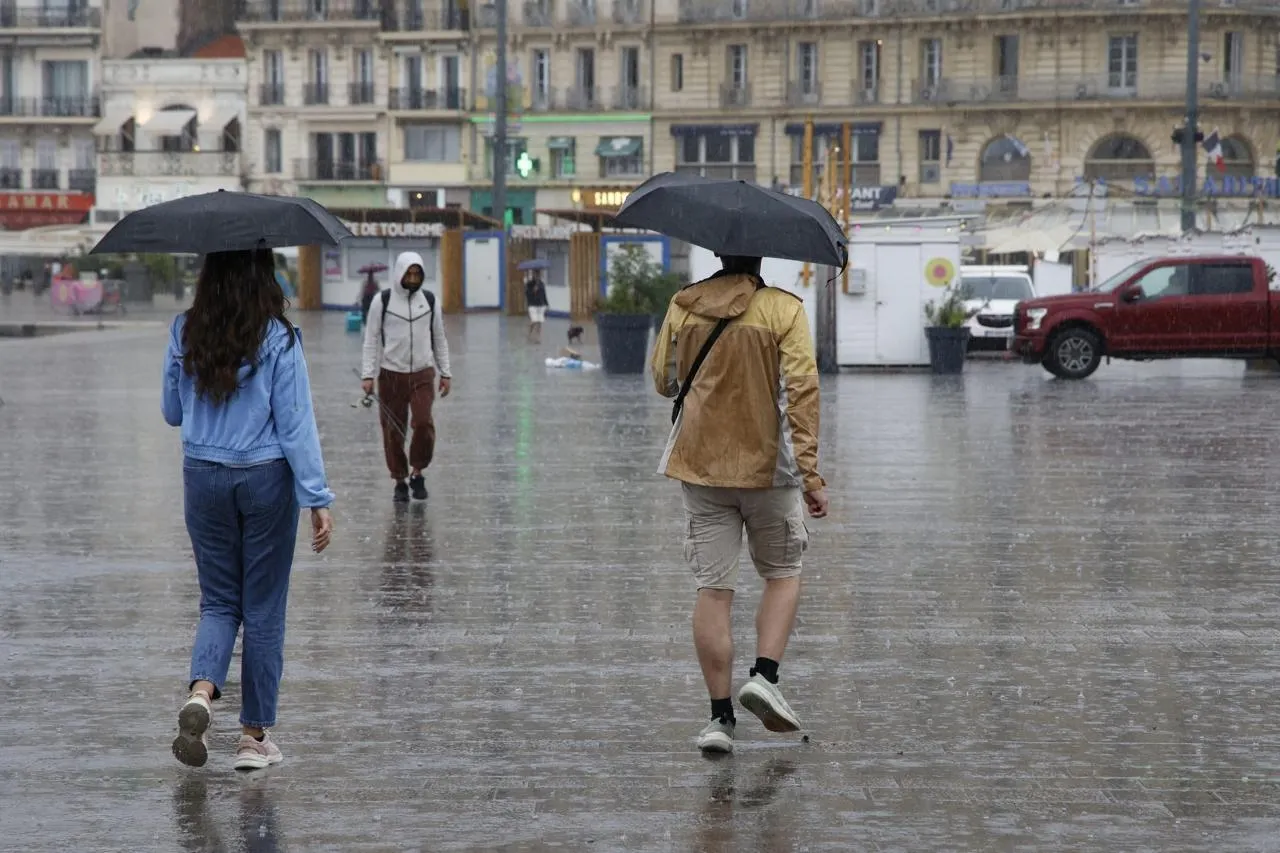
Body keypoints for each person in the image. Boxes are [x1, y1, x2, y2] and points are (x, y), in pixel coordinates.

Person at [162, 249, 334, 771]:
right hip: (265, 479)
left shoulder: (185, 330)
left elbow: (172, 412)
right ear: (264, 275)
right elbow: (295, 424)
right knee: (262, 608)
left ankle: (201, 692)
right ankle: (253, 738)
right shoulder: (278, 337)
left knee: (218, 601)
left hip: (203, 475)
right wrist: (316, 497)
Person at [650, 254, 828, 756]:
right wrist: (811, 475)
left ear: (719, 254)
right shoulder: (783, 310)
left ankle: (719, 720)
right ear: (760, 258)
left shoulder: (684, 306)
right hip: (769, 470)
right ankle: (765, 677)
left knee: (713, 590)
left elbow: (664, 381)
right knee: (783, 573)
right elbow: (802, 391)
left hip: (701, 466)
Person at [360, 251, 452, 502]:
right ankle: (399, 479)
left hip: (423, 373)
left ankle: (417, 471)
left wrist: (445, 372)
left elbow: (439, 338)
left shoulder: (430, 301)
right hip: (391, 375)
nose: (412, 279)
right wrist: (368, 375)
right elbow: (371, 339)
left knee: (423, 422)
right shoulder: (382, 301)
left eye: (417, 274)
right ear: (400, 273)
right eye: (408, 274)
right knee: (393, 429)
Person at [525, 270, 549, 344]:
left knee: (539, 322)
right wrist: (533, 291)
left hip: (541, 304)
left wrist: (546, 304)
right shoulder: (529, 283)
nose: (538, 276)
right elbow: (527, 294)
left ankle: (537, 337)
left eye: (539, 275)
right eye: (536, 275)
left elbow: (544, 294)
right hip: (532, 305)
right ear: (534, 275)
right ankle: (529, 334)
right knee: (534, 321)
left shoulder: (541, 284)